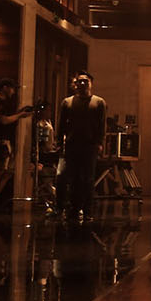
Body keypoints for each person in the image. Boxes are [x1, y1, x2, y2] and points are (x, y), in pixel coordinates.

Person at [54, 72, 107, 222]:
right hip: (72, 144)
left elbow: (101, 125)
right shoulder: (67, 102)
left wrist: (99, 143)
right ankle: (74, 209)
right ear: (76, 84)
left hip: (90, 145)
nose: (82, 84)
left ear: (91, 83)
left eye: (86, 81)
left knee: (88, 179)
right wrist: (59, 142)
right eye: (80, 81)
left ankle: (87, 210)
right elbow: (62, 124)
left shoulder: (99, 102)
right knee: (73, 178)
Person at [0, 78, 33, 208]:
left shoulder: (1, 103)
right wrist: (20, 115)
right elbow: (3, 120)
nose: (13, 92)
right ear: (5, 87)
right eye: (12, 88)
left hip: (5, 140)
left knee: (6, 172)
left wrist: (19, 113)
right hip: (0, 141)